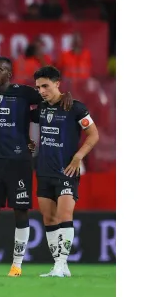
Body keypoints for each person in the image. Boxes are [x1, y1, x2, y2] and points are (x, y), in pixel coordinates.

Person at [0, 57, 72, 277]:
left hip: (20, 162)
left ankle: (17, 265)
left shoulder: (24, 92)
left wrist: (66, 95)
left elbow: (49, 98)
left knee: (20, 212)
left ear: (9, 73)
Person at [30, 66, 98, 277]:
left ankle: (62, 264)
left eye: (45, 86)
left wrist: (78, 157)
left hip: (66, 170)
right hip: (43, 170)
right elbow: (19, 120)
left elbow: (93, 135)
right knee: (49, 218)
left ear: (57, 83)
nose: (41, 91)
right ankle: (58, 266)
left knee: (64, 215)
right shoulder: (41, 109)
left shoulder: (75, 108)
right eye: (38, 87)